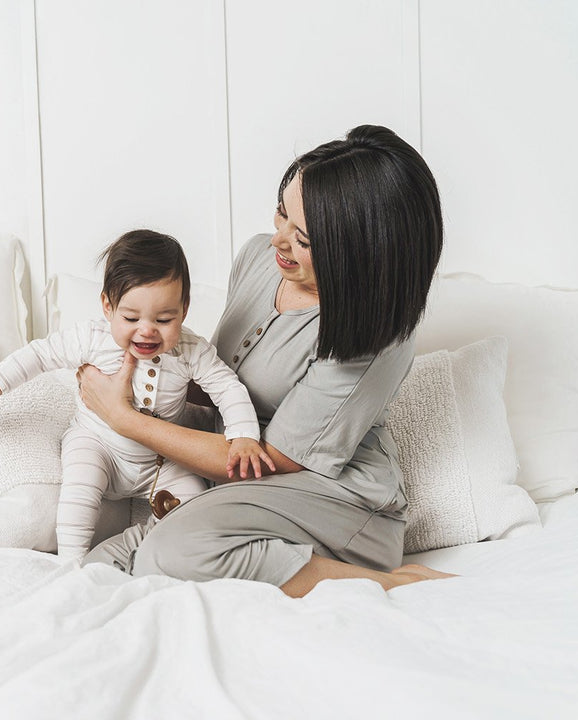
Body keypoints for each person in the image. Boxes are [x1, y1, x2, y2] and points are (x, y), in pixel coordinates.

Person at [78, 125, 455, 595]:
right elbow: (212, 378)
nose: (278, 241)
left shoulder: (375, 337)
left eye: (304, 240)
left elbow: (271, 460)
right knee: (98, 565)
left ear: (358, 253)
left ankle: (383, 580)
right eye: (281, 216)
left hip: (333, 501)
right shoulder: (258, 257)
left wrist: (124, 419)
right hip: (236, 488)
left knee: (171, 552)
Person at [0, 229, 274, 563]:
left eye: (164, 319)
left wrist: (244, 435)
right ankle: (72, 562)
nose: (147, 330)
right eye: (131, 318)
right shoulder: (92, 338)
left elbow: (227, 386)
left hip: (159, 459)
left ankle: (155, 548)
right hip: (98, 445)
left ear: (184, 309)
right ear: (108, 306)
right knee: (78, 492)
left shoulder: (191, 351)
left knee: (193, 500)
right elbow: (40, 354)